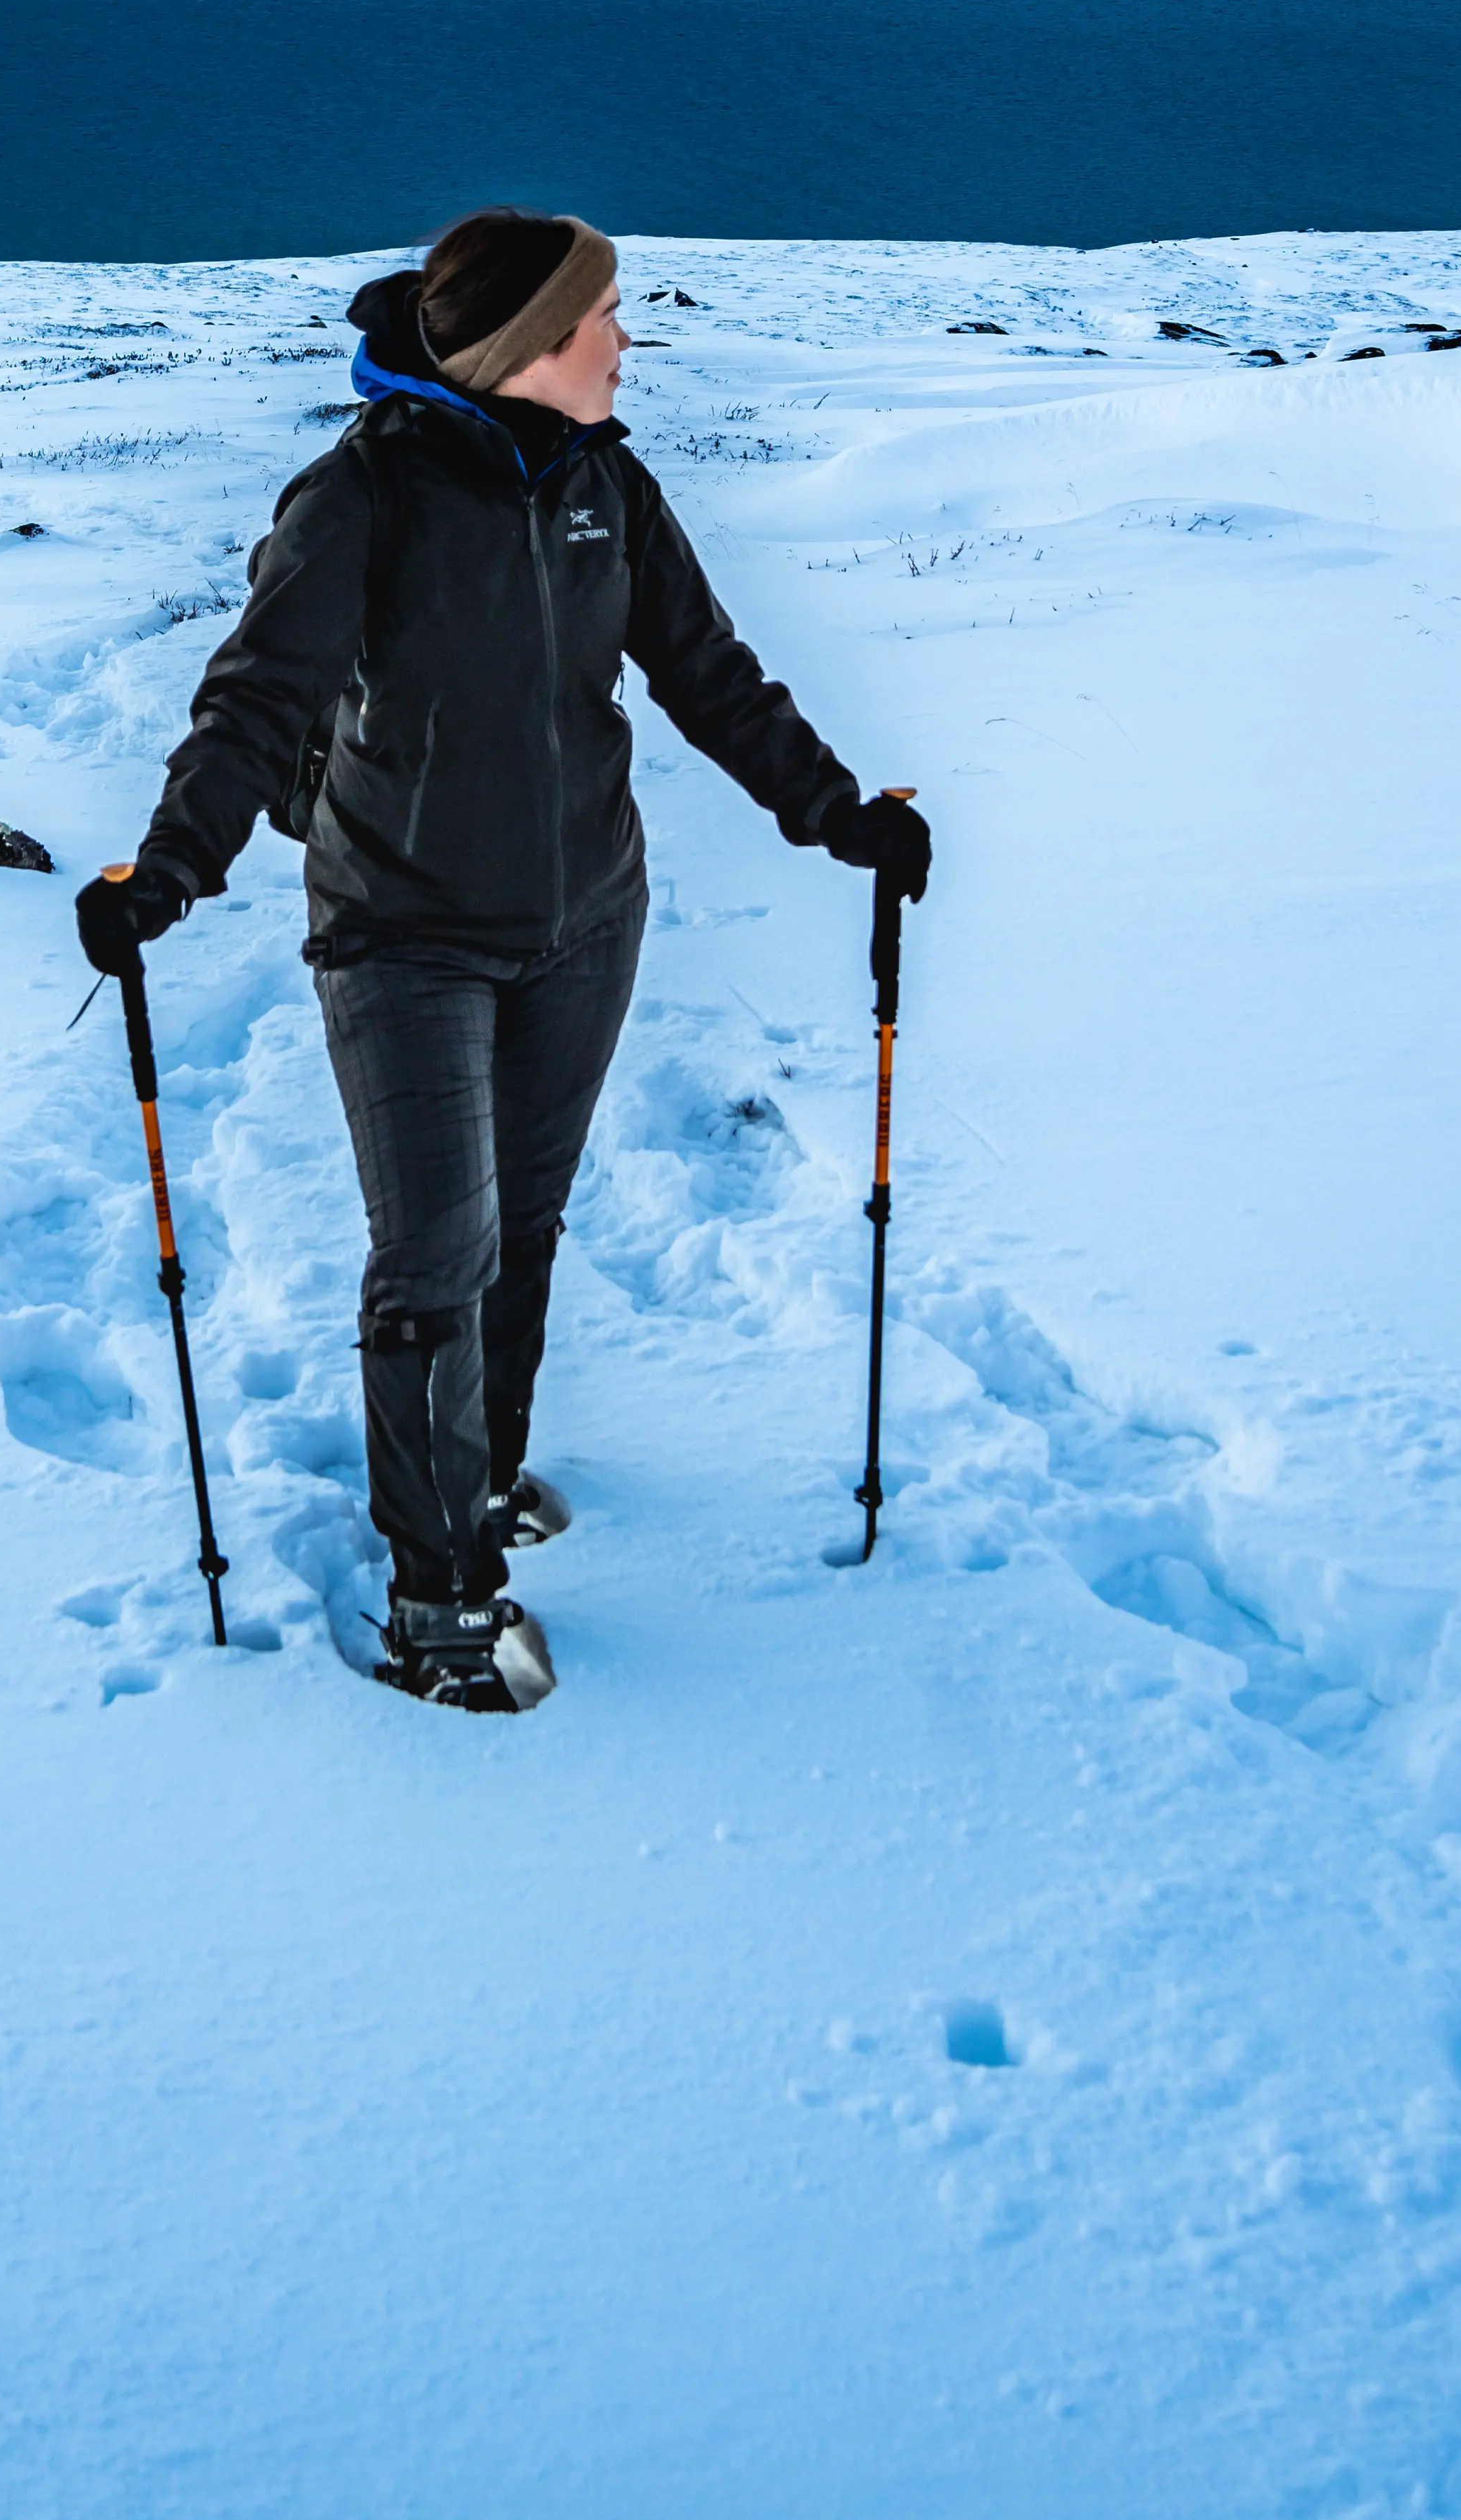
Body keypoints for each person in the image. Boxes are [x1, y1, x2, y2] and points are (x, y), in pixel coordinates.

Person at [76, 208, 930, 1714]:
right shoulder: (361, 497)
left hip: (585, 919)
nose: (624, 342)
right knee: (432, 1257)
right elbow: (254, 703)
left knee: (519, 1225)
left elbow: (710, 675)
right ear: (528, 347)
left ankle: (478, 1478)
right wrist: (171, 869)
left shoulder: (608, 484)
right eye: (603, 318)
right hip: (401, 930)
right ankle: (437, 1602)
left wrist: (837, 814)